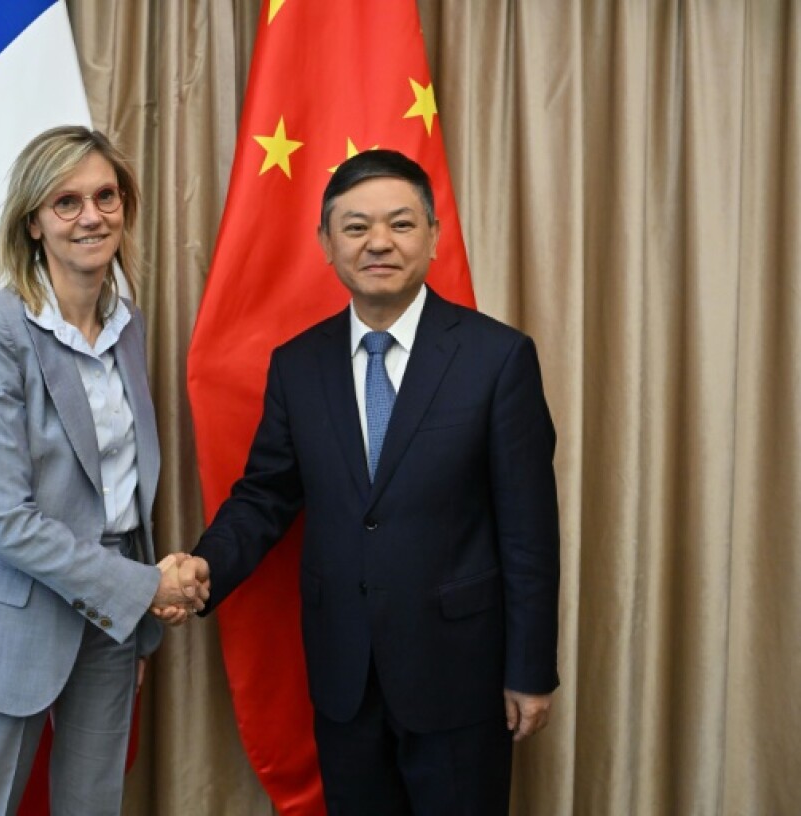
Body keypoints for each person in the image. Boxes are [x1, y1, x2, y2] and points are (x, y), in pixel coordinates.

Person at [184, 149, 560, 814]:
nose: (378, 242)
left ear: (435, 236)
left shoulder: (497, 359)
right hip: (344, 676)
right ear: (326, 243)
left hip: (461, 677)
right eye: (356, 227)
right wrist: (201, 569)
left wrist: (530, 670)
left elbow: (529, 532)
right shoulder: (297, 366)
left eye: (401, 224)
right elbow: (267, 495)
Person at [0, 125, 206, 815]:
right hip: (17, 614)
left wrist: (138, 596)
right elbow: (7, 520)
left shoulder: (127, 323)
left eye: (105, 196)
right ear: (33, 222)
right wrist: (145, 587)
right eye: (67, 201)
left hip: (110, 619)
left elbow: (123, 488)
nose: (91, 216)